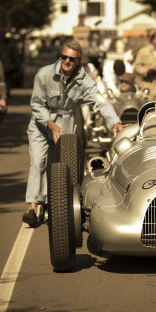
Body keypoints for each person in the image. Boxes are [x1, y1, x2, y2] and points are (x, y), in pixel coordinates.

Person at [23, 40, 124, 227]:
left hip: (66, 123)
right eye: (64, 57)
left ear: (78, 61)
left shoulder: (85, 80)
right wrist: (51, 124)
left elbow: (100, 101)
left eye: (72, 59)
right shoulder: (43, 74)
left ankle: (53, 206)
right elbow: (36, 104)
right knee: (37, 162)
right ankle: (33, 208)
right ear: (60, 56)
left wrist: (114, 122)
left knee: (58, 167)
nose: (67, 61)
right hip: (41, 123)